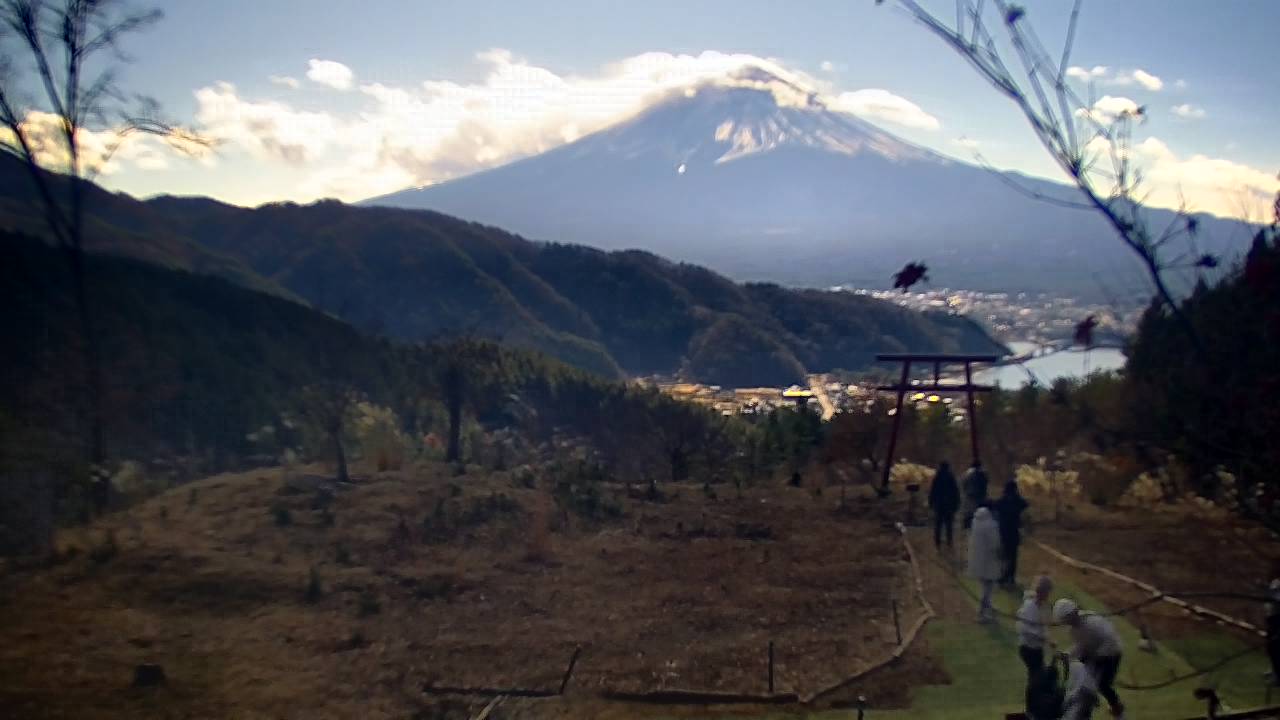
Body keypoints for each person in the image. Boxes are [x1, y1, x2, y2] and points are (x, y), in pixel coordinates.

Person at [1054, 598, 1125, 719]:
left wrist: (1098, 655)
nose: (1067, 622)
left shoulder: (1093, 622)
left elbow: (1110, 639)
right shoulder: (1074, 630)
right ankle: (1084, 713)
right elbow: (1081, 645)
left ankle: (1118, 711)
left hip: (1111, 654)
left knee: (1103, 685)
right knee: (1084, 686)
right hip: (1094, 656)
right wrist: (1068, 654)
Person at [968, 505, 1003, 623]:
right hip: (988, 561)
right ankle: (982, 613)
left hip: (976, 560)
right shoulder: (991, 525)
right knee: (987, 588)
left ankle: (988, 605)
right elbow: (995, 544)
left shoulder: (976, 521)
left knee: (983, 586)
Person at [1017, 575, 1054, 678]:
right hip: (1028, 648)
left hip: (1037, 648)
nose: (1049, 595)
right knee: (1037, 675)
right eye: (1047, 592)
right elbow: (1023, 628)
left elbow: (1043, 626)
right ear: (1042, 592)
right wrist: (1044, 638)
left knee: (1036, 675)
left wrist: (1046, 638)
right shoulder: (1029, 607)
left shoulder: (1041, 606)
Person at [995, 479, 1030, 584]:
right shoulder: (1018, 501)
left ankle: (1002, 576)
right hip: (1014, 532)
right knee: (1013, 556)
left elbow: (995, 507)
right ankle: (1010, 577)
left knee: (1004, 555)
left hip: (1003, 531)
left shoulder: (1002, 501)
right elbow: (1026, 505)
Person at [928, 461, 960, 550]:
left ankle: (937, 542)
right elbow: (955, 492)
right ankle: (949, 541)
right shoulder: (951, 477)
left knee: (938, 524)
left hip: (939, 504)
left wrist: (931, 503)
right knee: (949, 524)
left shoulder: (937, 477)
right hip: (949, 505)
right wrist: (957, 504)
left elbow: (933, 491)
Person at [962, 461, 989, 529]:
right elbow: (985, 485)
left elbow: (964, 485)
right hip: (980, 498)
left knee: (969, 514)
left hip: (969, 498)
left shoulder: (967, 474)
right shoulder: (983, 474)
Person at [1267, 561, 1280, 685]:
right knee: (1271, 647)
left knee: (1275, 647)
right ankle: (1275, 671)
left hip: (1278, 619)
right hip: (1272, 618)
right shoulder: (1275, 582)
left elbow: (1276, 597)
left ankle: (1278, 675)